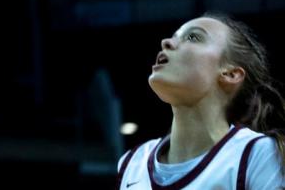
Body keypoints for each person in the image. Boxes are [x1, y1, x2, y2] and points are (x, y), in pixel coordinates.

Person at [118, 13, 285, 189]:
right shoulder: (132, 162)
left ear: (230, 74)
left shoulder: (258, 154)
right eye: (174, 37)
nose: (166, 42)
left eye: (193, 37)